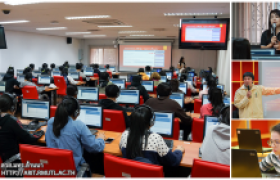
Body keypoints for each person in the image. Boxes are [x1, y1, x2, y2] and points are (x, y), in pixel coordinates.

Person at [45, 96, 105, 174]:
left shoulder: (51, 122)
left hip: (53, 168)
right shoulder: (79, 125)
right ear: (76, 112)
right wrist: (101, 139)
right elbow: (94, 147)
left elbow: (47, 140)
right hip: (74, 170)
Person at [119, 105, 184, 167]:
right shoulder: (156, 138)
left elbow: (121, 148)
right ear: (151, 122)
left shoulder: (125, 134)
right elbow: (173, 161)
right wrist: (178, 151)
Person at [0, 93, 44, 177]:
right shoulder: (12, 120)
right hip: (12, 162)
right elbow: (29, 138)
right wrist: (40, 133)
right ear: (12, 108)